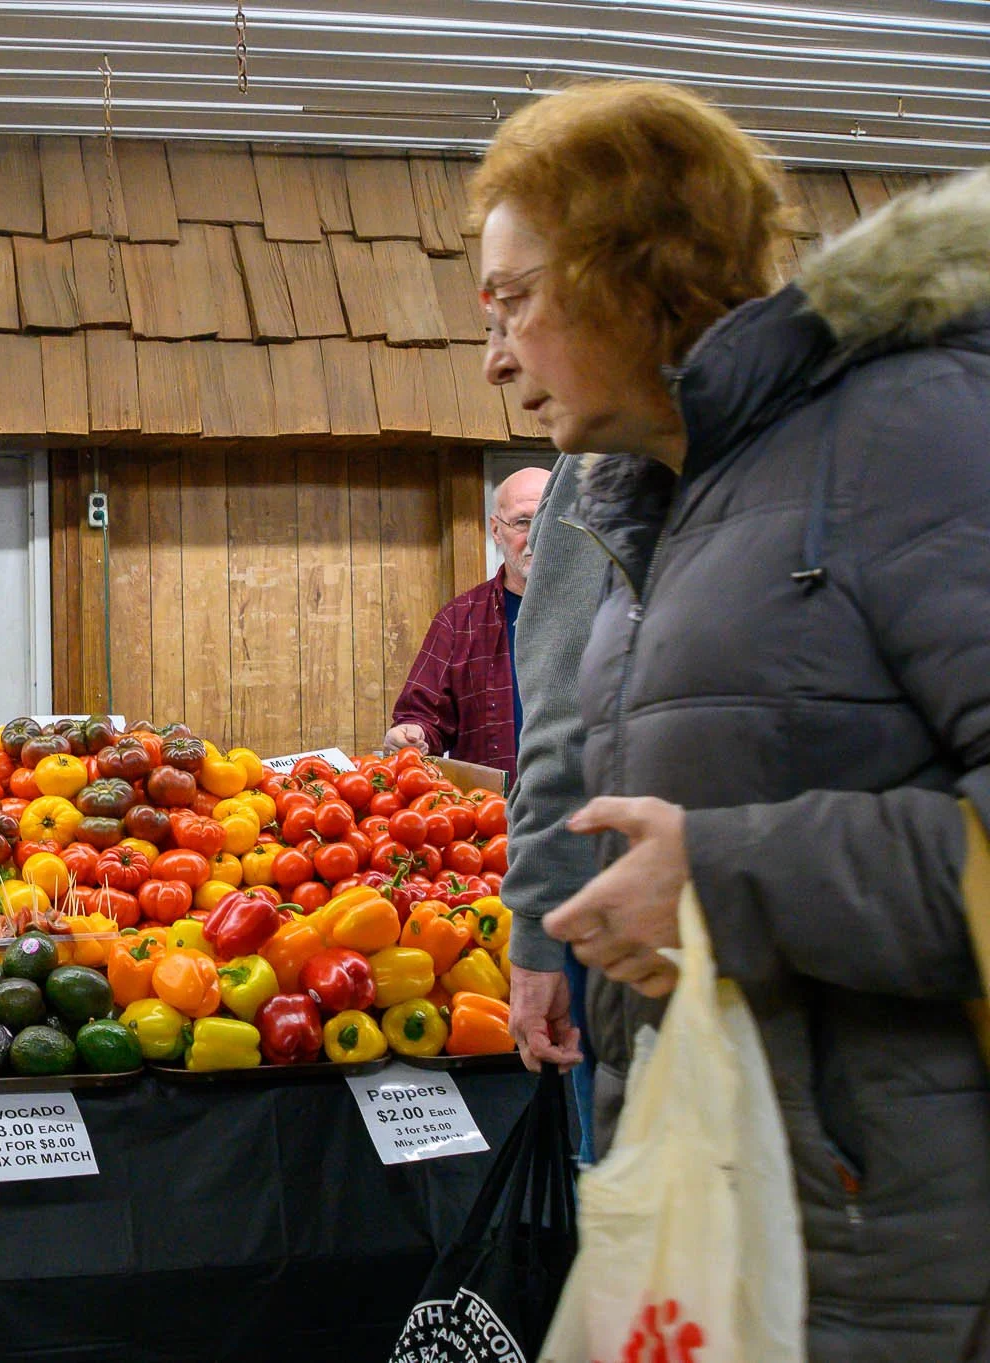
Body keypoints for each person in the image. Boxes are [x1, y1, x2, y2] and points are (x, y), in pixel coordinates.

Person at [472, 79, 990, 1360]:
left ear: (633, 272)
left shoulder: (908, 439)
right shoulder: (675, 503)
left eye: (512, 300)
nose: (493, 356)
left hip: (902, 1256)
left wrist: (722, 881)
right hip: (747, 1223)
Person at [495, 454, 607, 1165]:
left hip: (647, 932)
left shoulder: (605, 464)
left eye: (516, 331)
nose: (499, 362)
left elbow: (564, 723)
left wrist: (535, 935)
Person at [382, 466, 548, 778]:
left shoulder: (602, 611)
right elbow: (422, 717)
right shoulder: (459, 621)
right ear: (496, 530)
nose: (536, 536)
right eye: (523, 522)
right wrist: (411, 735)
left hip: (588, 814)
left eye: (548, 521)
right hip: (491, 817)